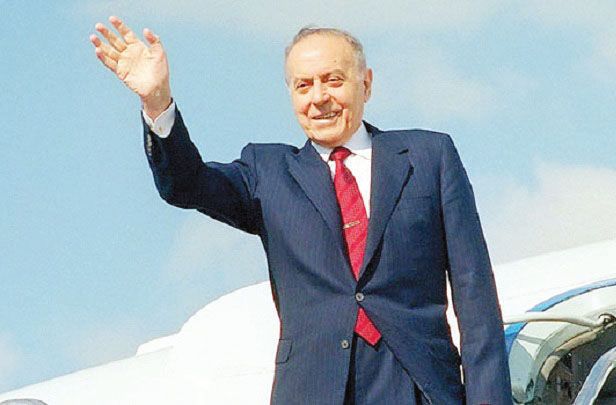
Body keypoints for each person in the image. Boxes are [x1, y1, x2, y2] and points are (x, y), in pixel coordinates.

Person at [90, 16, 512, 404]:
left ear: (365, 84)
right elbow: (187, 184)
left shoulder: (429, 157)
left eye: (333, 80)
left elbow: (475, 297)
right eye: (304, 85)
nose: (319, 98)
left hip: (418, 386)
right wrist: (157, 102)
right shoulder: (267, 172)